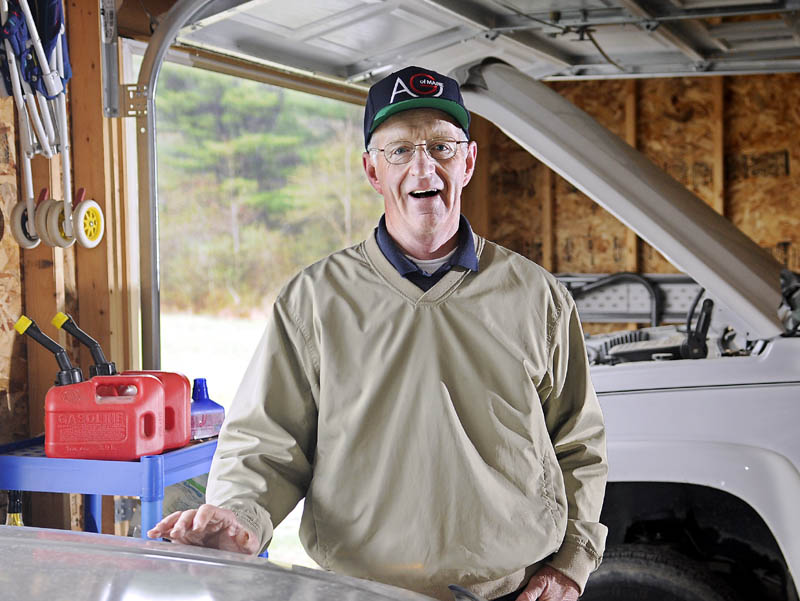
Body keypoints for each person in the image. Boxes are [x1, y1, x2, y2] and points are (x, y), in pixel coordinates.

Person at [148, 66, 608, 601]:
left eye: (442, 146)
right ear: (371, 170)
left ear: (468, 161)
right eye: (399, 151)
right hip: (358, 592)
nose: (423, 166)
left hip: (510, 591)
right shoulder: (315, 300)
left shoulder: (537, 296)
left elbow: (579, 441)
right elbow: (265, 442)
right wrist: (240, 516)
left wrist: (572, 562)